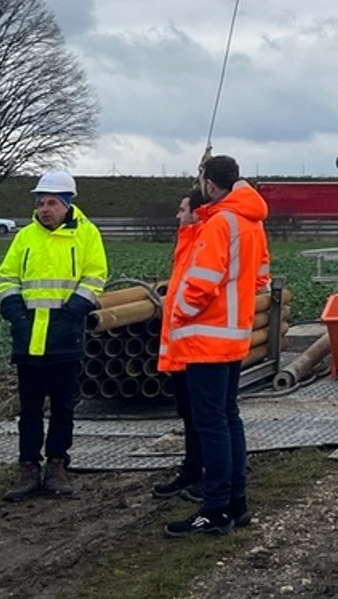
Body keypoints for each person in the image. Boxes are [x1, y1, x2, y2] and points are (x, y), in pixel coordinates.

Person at [161, 155, 269, 537]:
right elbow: (260, 278)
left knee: (211, 426)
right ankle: (236, 502)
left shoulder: (221, 223)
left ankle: (216, 508)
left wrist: (180, 313)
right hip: (234, 336)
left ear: (209, 183)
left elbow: (202, 280)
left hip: (205, 338)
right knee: (228, 419)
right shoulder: (251, 222)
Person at [0, 169, 108, 501]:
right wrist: (16, 314)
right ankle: (28, 465)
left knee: (62, 406)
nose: (45, 209)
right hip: (28, 337)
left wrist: (72, 312)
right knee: (29, 408)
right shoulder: (25, 236)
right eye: (41, 202)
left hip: (65, 337)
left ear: (67, 204)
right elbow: (7, 277)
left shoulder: (86, 235)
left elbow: (95, 275)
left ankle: (57, 463)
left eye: (51, 203)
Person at [151, 188, 208, 504]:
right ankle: (192, 468)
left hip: (198, 343)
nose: (178, 215)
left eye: (182, 209)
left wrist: (180, 311)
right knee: (188, 412)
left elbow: (199, 288)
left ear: (196, 211)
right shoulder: (188, 241)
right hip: (184, 343)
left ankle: (207, 472)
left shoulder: (202, 241)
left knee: (203, 414)